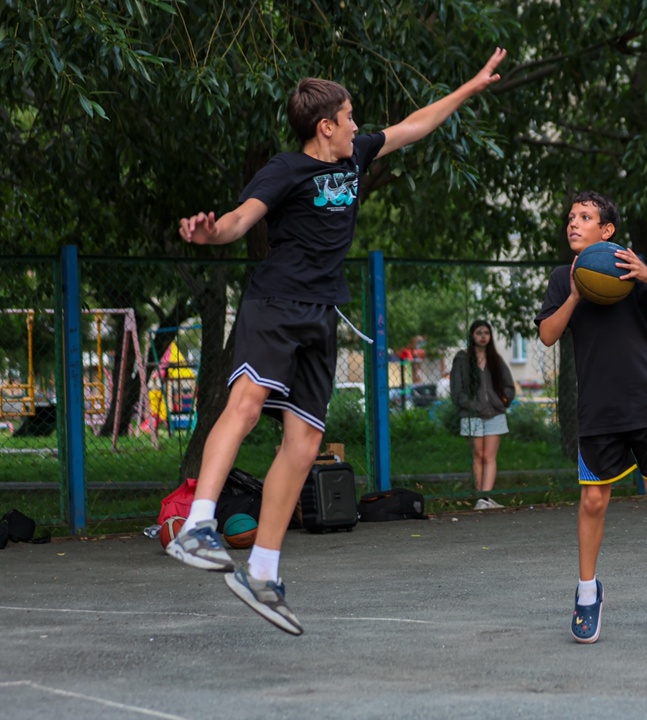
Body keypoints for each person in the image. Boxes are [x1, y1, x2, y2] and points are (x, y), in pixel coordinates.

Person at [167, 48, 508, 635]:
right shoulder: (285, 170)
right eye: (350, 117)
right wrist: (210, 232)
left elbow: (416, 125)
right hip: (275, 304)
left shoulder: (356, 157)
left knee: (304, 442)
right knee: (245, 404)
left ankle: (263, 572)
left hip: (321, 315)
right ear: (326, 126)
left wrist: (470, 88)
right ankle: (198, 525)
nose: (358, 124)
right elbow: (241, 220)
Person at [535, 190, 647, 644]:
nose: (573, 223)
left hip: (646, 400)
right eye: (571, 217)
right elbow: (548, 335)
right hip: (599, 408)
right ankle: (587, 593)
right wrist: (575, 296)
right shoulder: (562, 277)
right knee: (594, 501)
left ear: (607, 230)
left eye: (585, 217)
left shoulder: (630, 268)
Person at [450, 319, 516, 510]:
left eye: (486, 333)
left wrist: (502, 400)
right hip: (472, 414)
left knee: (489, 455)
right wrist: (472, 405)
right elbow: (457, 390)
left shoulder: (495, 359)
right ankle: (481, 498)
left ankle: (485, 498)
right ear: (472, 335)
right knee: (478, 455)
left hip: (495, 413)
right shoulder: (462, 359)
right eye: (479, 333)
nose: (483, 337)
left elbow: (508, 386)